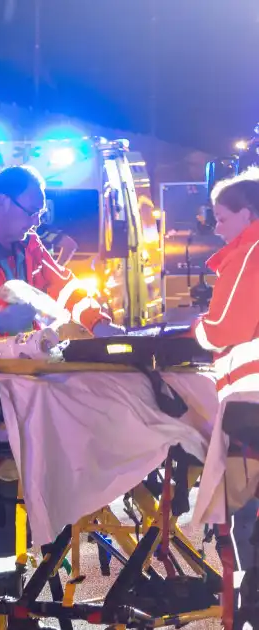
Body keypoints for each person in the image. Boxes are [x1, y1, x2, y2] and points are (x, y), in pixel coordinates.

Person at [0, 165, 120, 597]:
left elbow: (64, 288)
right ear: (2, 203)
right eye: (32, 211)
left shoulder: (29, 247)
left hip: (14, 394)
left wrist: (98, 323)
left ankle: (7, 600)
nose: (36, 221)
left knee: (6, 500)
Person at [189, 169, 259, 613]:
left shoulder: (249, 251)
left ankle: (250, 603)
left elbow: (226, 327)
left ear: (247, 215)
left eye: (220, 217)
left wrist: (196, 331)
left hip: (251, 406)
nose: (215, 227)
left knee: (245, 510)